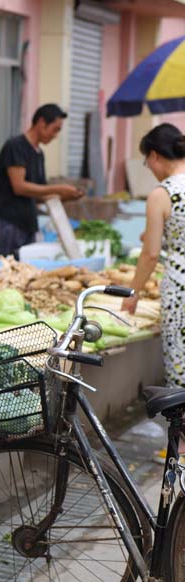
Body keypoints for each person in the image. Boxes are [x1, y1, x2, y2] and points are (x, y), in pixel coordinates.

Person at [123, 124, 185, 386]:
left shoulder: (163, 194)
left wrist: (133, 292)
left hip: (180, 293)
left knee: (181, 372)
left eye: (148, 163)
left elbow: (150, 254)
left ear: (155, 155)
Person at [0, 104, 84, 257]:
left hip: (28, 224)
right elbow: (19, 187)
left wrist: (65, 196)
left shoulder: (39, 154)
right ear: (41, 123)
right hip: (8, 223)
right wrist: (58, 188)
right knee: (5, 271)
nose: (55, 135)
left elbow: (39, 193)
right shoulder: (16, 146)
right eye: (55, 129)